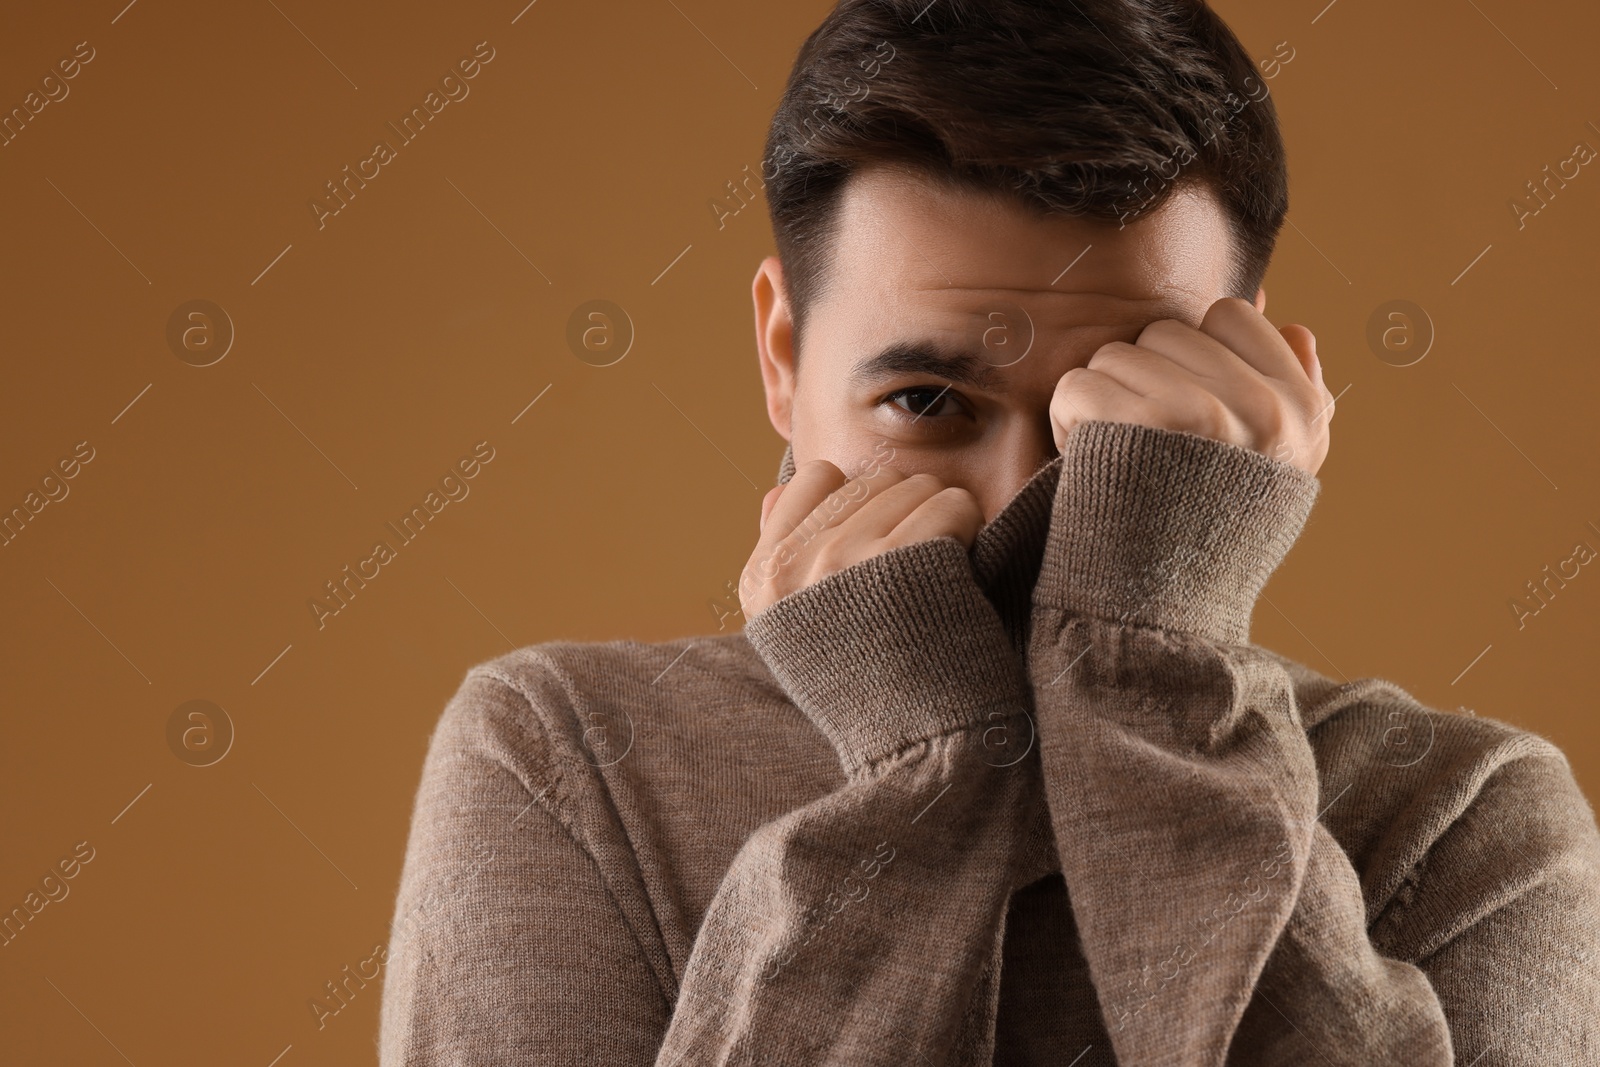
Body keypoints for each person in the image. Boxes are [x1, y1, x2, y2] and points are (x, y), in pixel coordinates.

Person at [379, 1, 1600, 1063]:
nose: (1026, 493)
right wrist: (925, 775)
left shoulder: (1465, 811)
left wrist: (1150, 655)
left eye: (1112, 413)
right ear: (783, 355)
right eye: (925, 403)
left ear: (1248, 375)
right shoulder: (566, 761)